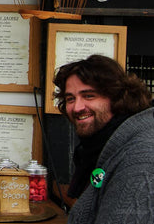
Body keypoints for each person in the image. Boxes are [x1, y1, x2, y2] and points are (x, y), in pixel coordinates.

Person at [53, 54, 154, 224]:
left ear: (117, 98)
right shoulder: (102, 146)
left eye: (89, 96)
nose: (77, 107)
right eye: (70, 98)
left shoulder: (140, 158)